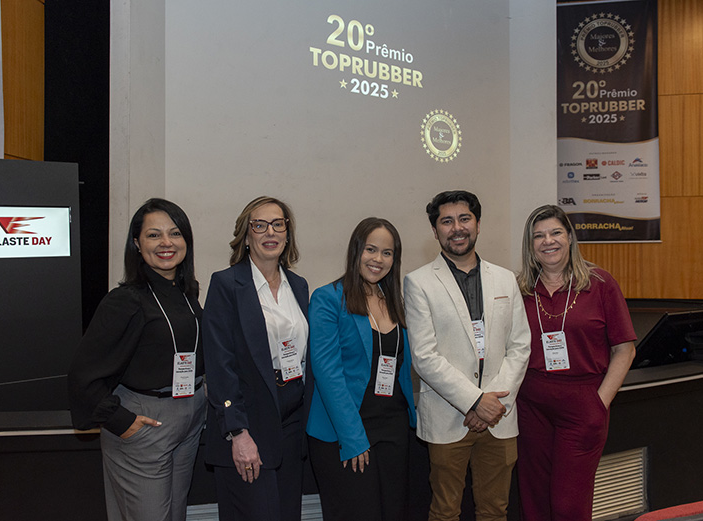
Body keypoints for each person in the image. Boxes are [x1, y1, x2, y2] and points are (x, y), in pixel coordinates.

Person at [69, 198, 205, 521]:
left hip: (188, 415)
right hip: (146, 421)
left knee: (175, 514)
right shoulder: (125, 301)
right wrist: (120, 421)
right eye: (154, 235)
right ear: (136, 243)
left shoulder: (186, 292)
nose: (166, 243)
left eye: (175, 233)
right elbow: (82, 374)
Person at [404, 190, 531, 521]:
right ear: (435, 230)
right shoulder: (418, 283)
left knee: (495, 510)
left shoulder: (505, 279)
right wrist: (475, 401)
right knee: (445, 511)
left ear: (478, 224)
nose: (457, 228)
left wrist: (491, 404)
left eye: (464, 219)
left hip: (499, 417)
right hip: (448, 417)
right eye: (447, 221)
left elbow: (520, 345)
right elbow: (424, 356)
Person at [515, 205, 636, 521]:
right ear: (530, 245)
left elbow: (624, 350)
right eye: (538, 236)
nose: (548, 241)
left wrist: (600, 402)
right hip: (531, 406)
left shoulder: (600, 283)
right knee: (534, 500)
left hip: (583, 404)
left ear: (569, 237)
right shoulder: (520, 289)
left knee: (568, 505)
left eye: (555, 232)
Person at [203, 196, 310, 521]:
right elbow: (220, 365)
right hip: (248, 424)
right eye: (260, 225)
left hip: (291, 422)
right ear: (246, 235)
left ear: (288, 233)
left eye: (278, 224)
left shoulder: (298, 286)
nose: (270, 232)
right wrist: (238, 433)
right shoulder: (226, 284)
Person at [306, 217, 417, 521]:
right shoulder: (328, 299)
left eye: (387, 252)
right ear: (356, 250)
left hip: (393, 427)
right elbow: (328, 374)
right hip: (345, 429)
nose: (378, 259)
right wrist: (353, 438)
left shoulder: (395, 302)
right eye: (371, 249)